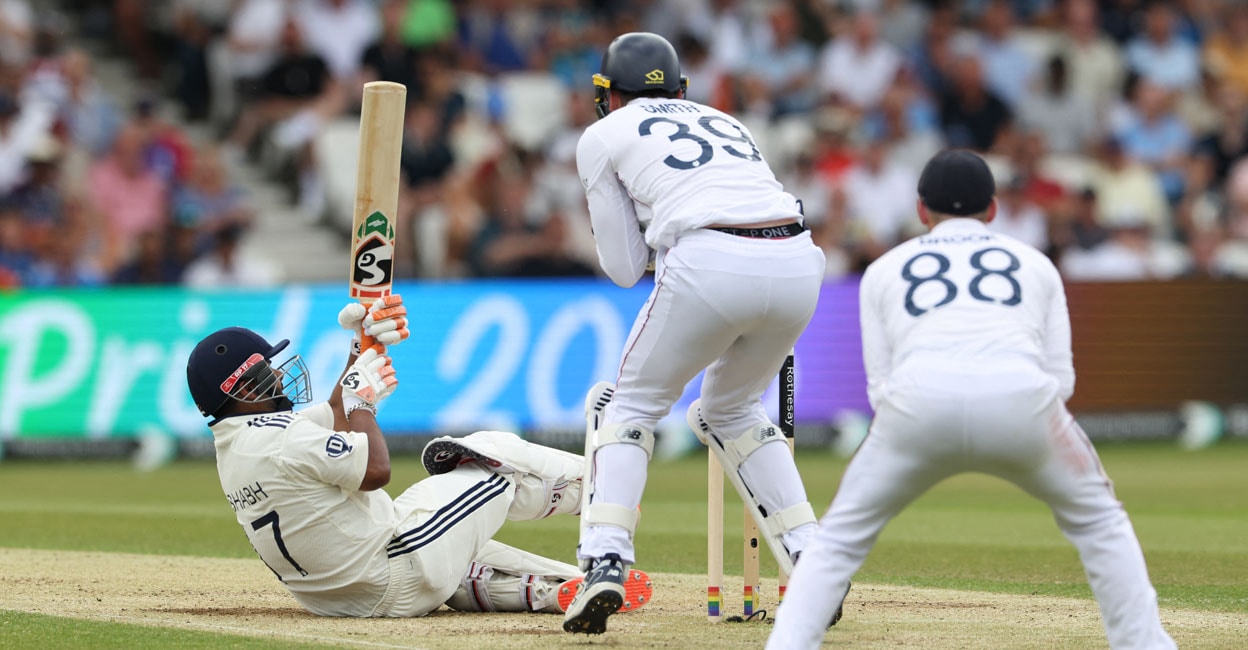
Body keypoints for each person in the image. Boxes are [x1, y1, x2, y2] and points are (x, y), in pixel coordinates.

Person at [766, 150, 1176, 650]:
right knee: (1101, 522)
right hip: (1023, 403)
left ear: (921, 210)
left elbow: (880, 388)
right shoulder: (1037, 264)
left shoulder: (884, 269)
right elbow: (1061, 381)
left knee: (835, 543)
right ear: (994, 209)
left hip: (917, 404)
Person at [564, 32, 825, 635]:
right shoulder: (728, 120)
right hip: (798, 257)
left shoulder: (602, 134)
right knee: (730, 410)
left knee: (626, 405)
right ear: (682, 89)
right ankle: (813, 559)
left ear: (608, 93)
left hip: (708, 256)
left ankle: (605, 559)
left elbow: (625, 268)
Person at [184, 295, 651, 619]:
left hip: (340, 596)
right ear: (241, 387)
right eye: (267, 371)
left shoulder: (240, 441)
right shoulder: (278, 438)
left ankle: (557, 589)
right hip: (390, 567)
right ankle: (605, 489)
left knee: (464, 558)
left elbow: (332, 412)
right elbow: (374, 471)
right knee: (488, 456)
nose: (281, 377)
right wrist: (364, 405)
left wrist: (362, 347)